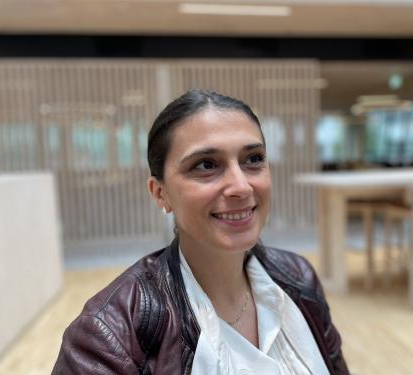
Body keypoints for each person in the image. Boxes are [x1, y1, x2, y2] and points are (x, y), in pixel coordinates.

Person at [52, 90, 350, 374]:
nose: (241, 186)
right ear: (160, 193)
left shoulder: (298, 279)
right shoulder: (108, 336)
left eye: (253, 159)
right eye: (206, 165)